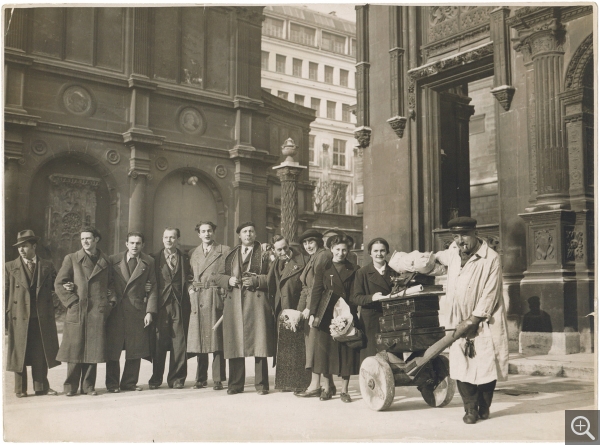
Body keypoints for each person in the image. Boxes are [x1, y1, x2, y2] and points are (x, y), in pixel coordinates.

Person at [434, 216, 508, 424]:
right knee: (461, 366)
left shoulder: (490, 258)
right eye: (456, 236)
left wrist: (474, 319)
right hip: (457, 320)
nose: (460, 240)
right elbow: (436, 258)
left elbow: (490, 293)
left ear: (476, 233)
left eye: (464, 235)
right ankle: (470, 409)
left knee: (485, 367)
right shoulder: (453, 255)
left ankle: (484, 407)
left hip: (484, 320)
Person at [214, 221, 275, 395]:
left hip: (256, 302)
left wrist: (257, 280)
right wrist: (228, 281)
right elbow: (217, 277)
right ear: (239, 236)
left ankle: (262, 385)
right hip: (235, 304)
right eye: (244, 232)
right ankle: (235, 384)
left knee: (259, 343)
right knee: (235, 344)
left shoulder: (265, 253)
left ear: (255, 235)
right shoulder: (230, 254)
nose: (248, 234)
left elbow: (274, 277)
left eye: (251, 231)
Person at [55, 227, 114, 396]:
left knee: (93, 350)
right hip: (78, 310)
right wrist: (72, 301)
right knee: (74, 348)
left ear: (96, 239)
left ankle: (88, 386)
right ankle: (70, 387)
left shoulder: (105, 260)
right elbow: (59, 283)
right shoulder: (72, 259)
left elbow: (111, 284)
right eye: (82, 239)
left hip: (97, 311)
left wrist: (110, 301)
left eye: (88, 238)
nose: (85, 242)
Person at [5, 230, 60, 398]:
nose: (21, 250)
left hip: (40, 317)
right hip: (19, 316)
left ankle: (41, 387)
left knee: (40, 352)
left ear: (34, 246)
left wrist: (67, 288)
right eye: (19, 247)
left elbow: (56, 286)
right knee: (19, 352)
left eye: (25, 246)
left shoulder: (47, 265)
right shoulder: (9, 267)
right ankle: (20, 389)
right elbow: (4, 293)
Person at [308, 234, 361, 403]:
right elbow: (316, 291)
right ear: (331, 250)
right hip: (326, 314)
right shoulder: (323, 268)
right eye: (337, 249)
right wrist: (312, 314)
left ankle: (344, 390)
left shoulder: (354, 269)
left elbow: (355, 293)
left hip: (346, 315)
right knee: (324, 353)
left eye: (344, 250)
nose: (341, 253)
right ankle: (326, 387)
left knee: (346, 352)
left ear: (348, 251)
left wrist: (351, 313)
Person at [106, 232, 158, 392]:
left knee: (135, 349)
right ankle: (112, 384)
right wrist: (112, 299)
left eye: (138, 243)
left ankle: (129, 383)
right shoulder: (113, 260)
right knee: (113, 349)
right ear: (126, 244)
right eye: (132, 243)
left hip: (137, 311)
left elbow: (154, 288)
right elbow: (108, 284)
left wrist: (150, 311)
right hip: (116, 310)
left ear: (143, 245)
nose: (135, 246)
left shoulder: (148, 262)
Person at [187, 221, 229, 390]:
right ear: (199, 234)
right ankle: (200, 377)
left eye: (209, 231)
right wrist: (190, 290)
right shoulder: (193, 253)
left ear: (214, 232)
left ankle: (218, 379)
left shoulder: (224, 251)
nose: (207, 234)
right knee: (200, 339)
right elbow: (189, 277)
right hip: (198, 299)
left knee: (217, 339)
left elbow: (228, 274)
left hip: (215, 297)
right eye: (203, 231)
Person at [294, 229, 335, 398]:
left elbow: (319, 286)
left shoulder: (323, 256)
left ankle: (320, 385)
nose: (308, 246)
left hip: (321, 306)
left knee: (318, 346)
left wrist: (310, 309)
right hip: (312, 306)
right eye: (305, 243)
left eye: (311, 242)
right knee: (313, 346)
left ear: (318, 242)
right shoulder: (313, 258)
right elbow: (305, 288)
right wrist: (298, 311)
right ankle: (323, 384)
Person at [149, 228, 192, 390]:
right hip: (161, 306)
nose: (169, 240)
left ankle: (177, 379)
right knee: (159, 343)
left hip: (180, 304)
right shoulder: (154, 259)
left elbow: (189, 278)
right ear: (162, 238)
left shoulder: (184, 258)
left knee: (179, 344)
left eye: (172, 237)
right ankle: (156, 379)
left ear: (178, 239)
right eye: (166, 237)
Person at [266, 235, 310, 392]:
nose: (283, 251)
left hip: (296, 307)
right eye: (279, 249)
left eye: (285, 247)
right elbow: (270, 282)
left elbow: (307, 287)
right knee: (284, 347)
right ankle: (285, 383)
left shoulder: (302, 261)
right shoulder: (276, 262)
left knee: (298, 346)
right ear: (274, 250)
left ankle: (300, 383)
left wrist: (300, 310)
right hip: (281, 309)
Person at [351, 238, 396, 363]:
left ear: (387, 252)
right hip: (370, 321)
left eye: (382, 250)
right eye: (375, 251)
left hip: (391, 319)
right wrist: (372, 297)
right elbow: (355, 298)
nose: (379, 254)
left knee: (392, 356)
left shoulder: (395, 272)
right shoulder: (362, 273)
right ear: (370, 253)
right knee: (371, 359)